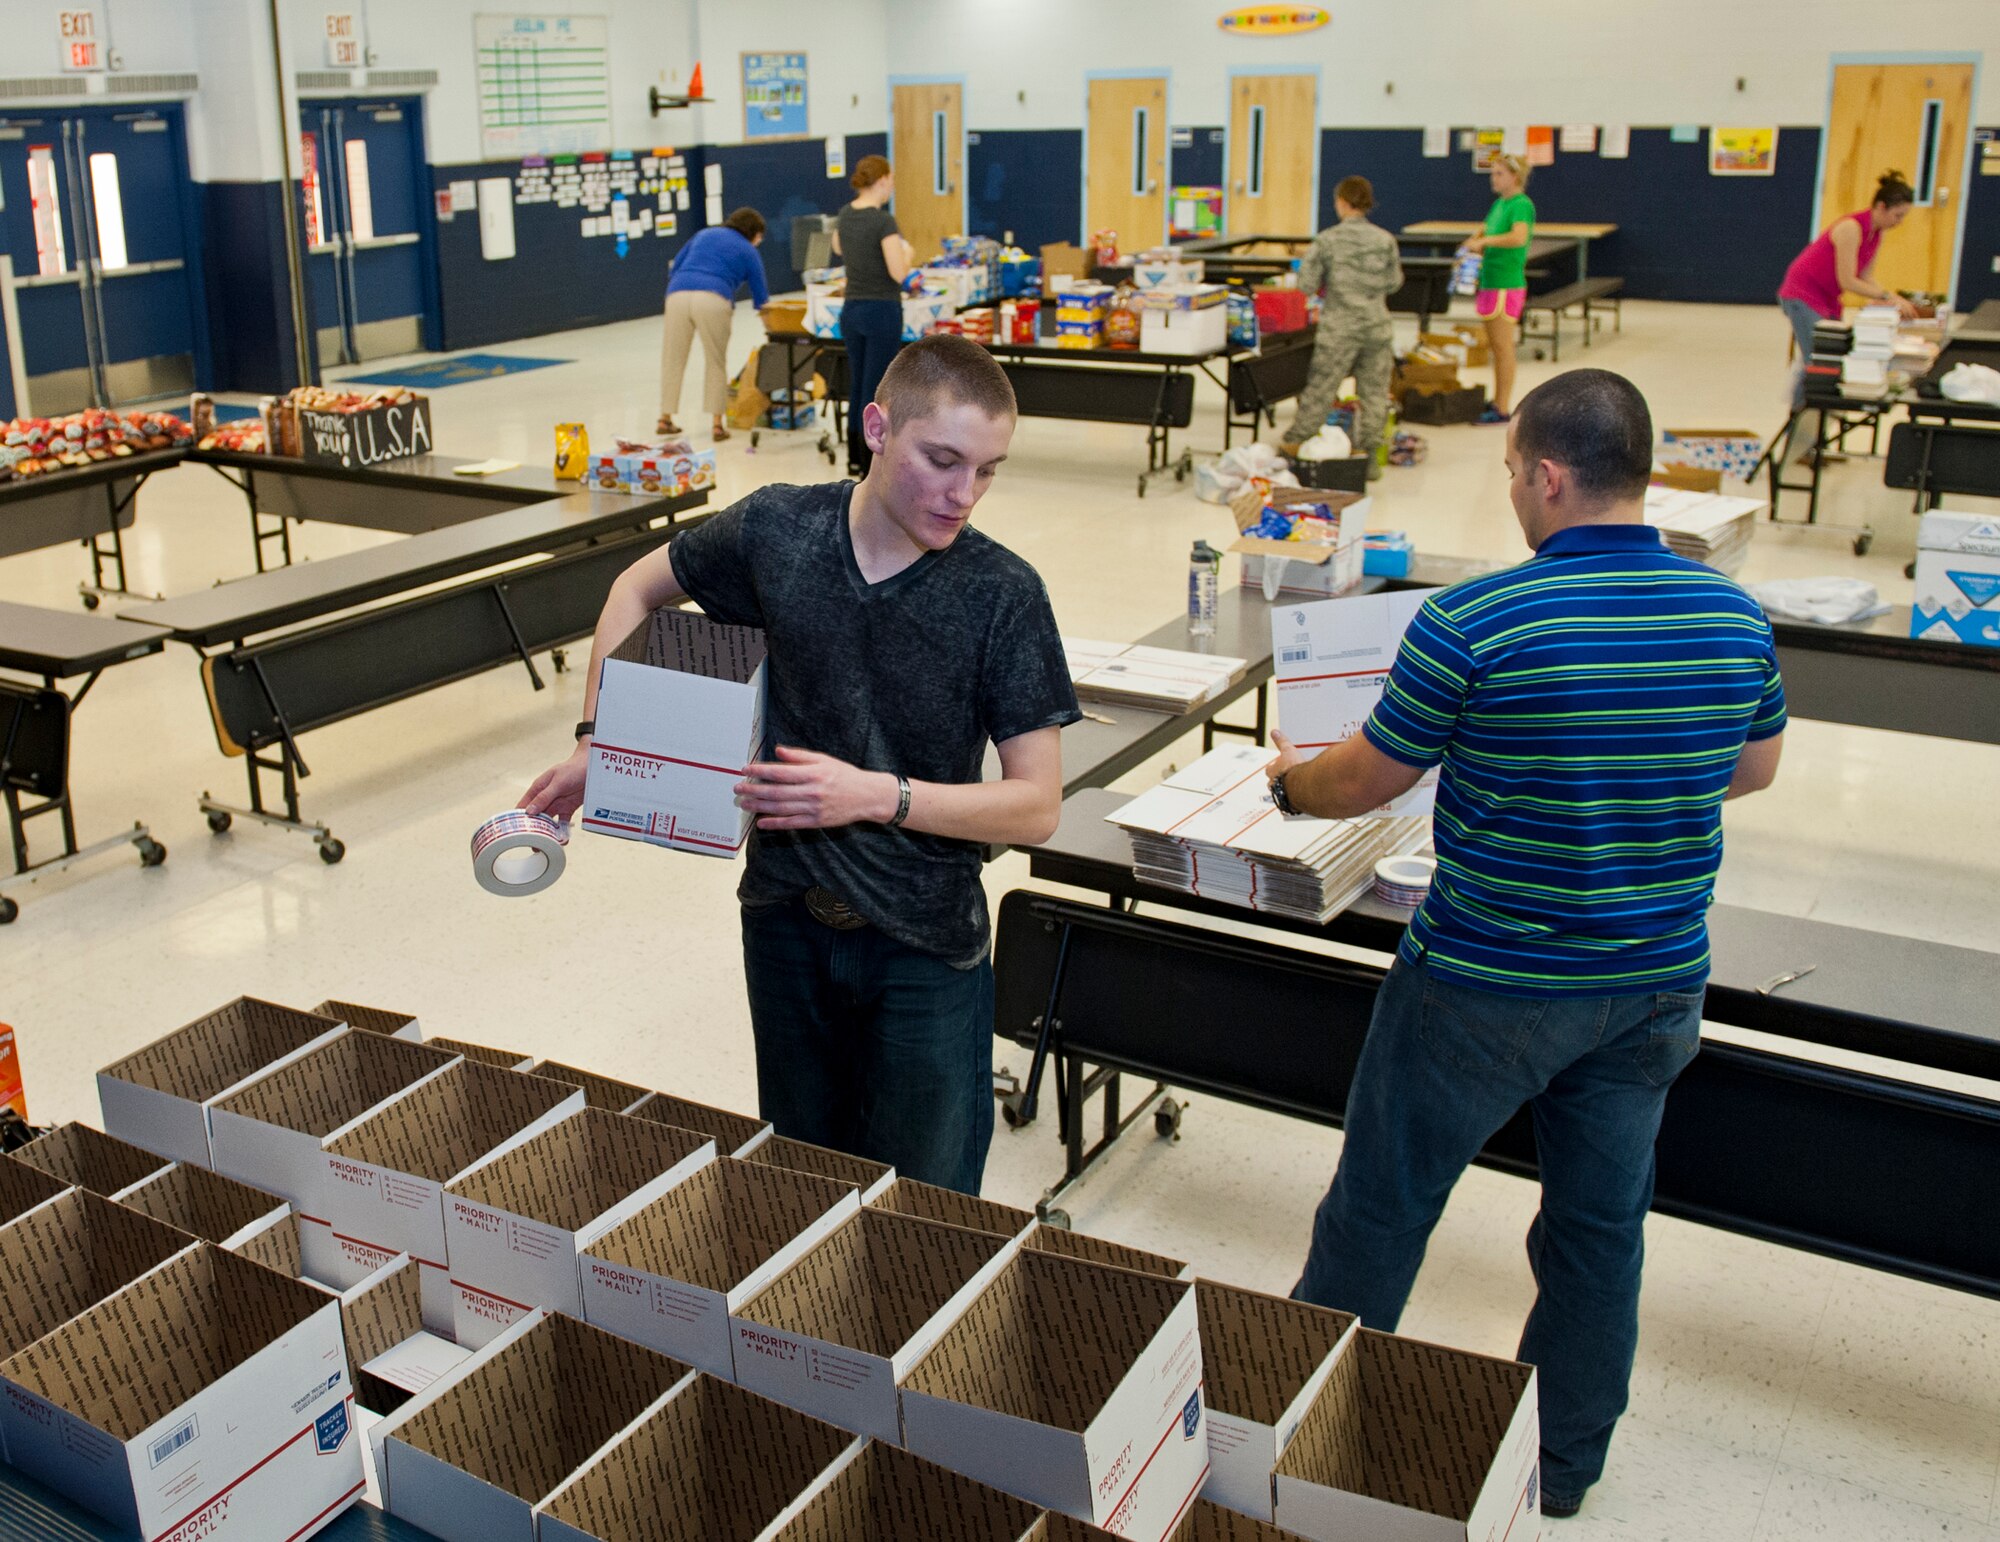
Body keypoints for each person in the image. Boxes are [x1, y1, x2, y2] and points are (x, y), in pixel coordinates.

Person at [1263, 368, 1786, 1520]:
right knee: (1597, 1230)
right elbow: (1747, 771)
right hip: (1651, 988)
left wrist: (1293, 787)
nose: (1510, 489)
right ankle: (1562, 1467)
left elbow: (1368, 777)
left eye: (1509, 470)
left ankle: (1301, 1431)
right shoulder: (1732, 614)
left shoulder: (1475, 620)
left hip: (1482, 986)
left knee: (1381, 1208)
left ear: (1546, 476)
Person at [520, 335, 1079, 1195]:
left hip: (921, 948)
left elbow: (1036, 805)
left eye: (989, 471)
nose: (963, 495)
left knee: (924, 1219)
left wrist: (873, 797)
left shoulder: (1003, 593)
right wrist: (602, 737)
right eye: (943, 461)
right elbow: (636, 587)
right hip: (782, 924)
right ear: (877, 429)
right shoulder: (778, 530)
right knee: (796, 1192)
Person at [1278, 175, 1403, 480]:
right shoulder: (1385, 240)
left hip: (1340, 328)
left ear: (1343, 202)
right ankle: (1371, 458)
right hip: (1377, 326)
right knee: (1373, 394)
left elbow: (1306, 285)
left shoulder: (1327, 240)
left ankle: (1298, 444)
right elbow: (1394, 282)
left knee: (1322, 388)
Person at [1778, 170, 1920, 412]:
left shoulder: (1878, 234)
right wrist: (1888, 297)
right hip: (1802, 293)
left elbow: (1865, 277)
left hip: (1827, 297)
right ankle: (1799, 416)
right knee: (1819, 359)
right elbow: (1849, 281)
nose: (1899, 222)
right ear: (1881, 207)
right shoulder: (1851, 228)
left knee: (1831, 351)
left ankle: (1815, 413)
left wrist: (1892, 299)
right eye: (1897, 215)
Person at [833, 156, 916, 477]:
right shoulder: (883, 222)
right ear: (881, 180)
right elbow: (897, 272)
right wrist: (907, 254)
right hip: (881, 309)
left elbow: (839, 247)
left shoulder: (844, 214)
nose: (892, 187)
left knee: (858, 385)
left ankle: (854, 456)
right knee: (877, 389)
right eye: (891, 180)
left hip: (852, 309)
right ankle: (872, 462)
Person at [659, 207, 770, 441]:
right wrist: (768, 321)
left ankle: (664, 418)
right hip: (713, 297)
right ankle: (717, 425)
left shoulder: (704, 234)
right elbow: (761, 296)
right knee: (715, 361)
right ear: (754, 233)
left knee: (672, 359)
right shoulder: (748, 249)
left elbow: (676, 265)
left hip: (677, 293)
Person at [1462, 154, 1535, 424]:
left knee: (1504, 348)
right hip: (1490, 281)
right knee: (1494, 346)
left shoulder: (1521, 205)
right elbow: (1484, 230)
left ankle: (1502, 407)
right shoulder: (1499, 205)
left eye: (1499, 174)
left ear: (1514, 177)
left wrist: (1486, 241)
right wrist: (1475, 239)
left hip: (1507, 283)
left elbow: (1518, 237)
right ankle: (1496, 399)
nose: (1494, 179)